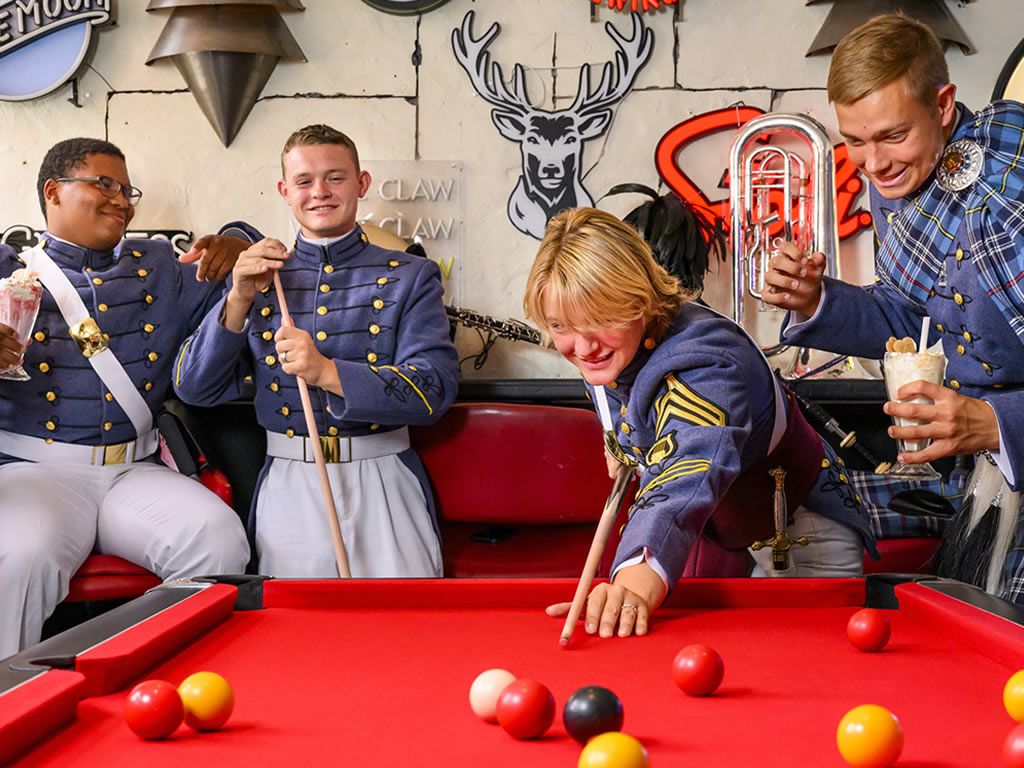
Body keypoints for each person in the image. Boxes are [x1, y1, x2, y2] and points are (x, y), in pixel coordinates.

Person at [763, 13, 1024, 603]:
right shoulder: (903, 187)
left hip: (1009, 450)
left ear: (944, 104)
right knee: (797, 513)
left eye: (891, 135)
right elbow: (916, 317)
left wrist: (996, 424)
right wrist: (817, 299)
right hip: (968, 470)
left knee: (997, 622)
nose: (873, 164)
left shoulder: (1016, 184)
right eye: (854, 139)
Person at [523, 207, 876, 639]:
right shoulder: (611, 351)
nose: (582, 346)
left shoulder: (708, 363)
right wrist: (621, 446)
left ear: (639, 300)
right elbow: (626, 412)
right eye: (562, 326)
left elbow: (686, 470)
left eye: (599, 320)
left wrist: (631, 584)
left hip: (797, 541)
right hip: (721, 536)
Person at [0, 138, 251, 659]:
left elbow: (241, 272)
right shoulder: (5, 267)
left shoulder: (161, 266)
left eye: (126, 189)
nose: (122, 199)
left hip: (134, 470)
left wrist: (236, 241)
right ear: (54, 192)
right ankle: (10, 703)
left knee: (217, 538)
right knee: (20, 556)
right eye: (103, 184)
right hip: (33, 470)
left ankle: (167, 679)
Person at [173, 124, 459, 578]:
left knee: (402, 631)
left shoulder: (413, 275)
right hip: (289, 483)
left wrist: (328, 372)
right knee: (296, 636)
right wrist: (238, 299)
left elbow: (435, 389)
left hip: (383, 477)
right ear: (285, 192)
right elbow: (195, 389)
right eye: (304, 181)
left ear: (361, 183)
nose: (320, 192)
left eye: (336, 177)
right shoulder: (262, 277)